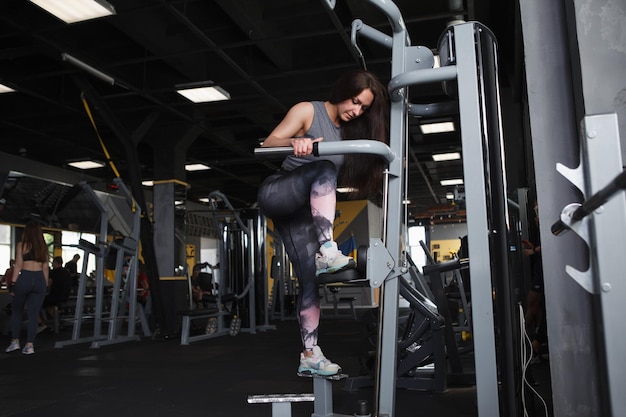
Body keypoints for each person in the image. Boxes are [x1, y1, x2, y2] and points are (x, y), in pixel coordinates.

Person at [257, 69, 389, 376]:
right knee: (324, 165)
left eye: (363, 108)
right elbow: (268, 143)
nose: (356, 111)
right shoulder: (308, 111)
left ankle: (310, 354)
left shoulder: (350, 131)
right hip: (279, 191)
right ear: (344, 90)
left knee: (309, 282)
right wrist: (294, 142)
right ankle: (328, 249)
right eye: (355, 102)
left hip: (303, 214)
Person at [5, 221, 49, 355]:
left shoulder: (21, 245)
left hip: (25, 278)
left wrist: (12, 285)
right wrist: (45, 286)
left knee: (17, 311)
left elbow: (18, 266)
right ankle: (29, 345)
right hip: (40, 279)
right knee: (33, 314)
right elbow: (45, 268)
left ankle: (15, 342)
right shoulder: (43, 247)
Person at [521, 201, 546, 361]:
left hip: (544, 268)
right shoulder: (540, 224)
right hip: (539, 265)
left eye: (537, 211)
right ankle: (535, 340)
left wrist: (533, 250)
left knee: (532, 301)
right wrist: (533, 247)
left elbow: (552, 243)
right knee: (535, 305)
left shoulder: (548, 222)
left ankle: (526, 339)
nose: (536, 216)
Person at [37, 256, 72, 333]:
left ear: (56, 263)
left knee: (35, 303)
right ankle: (57, 323)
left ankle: (41, 323)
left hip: (55, 297)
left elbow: (48, 285)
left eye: (53, 263)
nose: (52, 264)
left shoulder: (53, 272)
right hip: (65, 296)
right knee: (50, 307)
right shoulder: (67, 272)